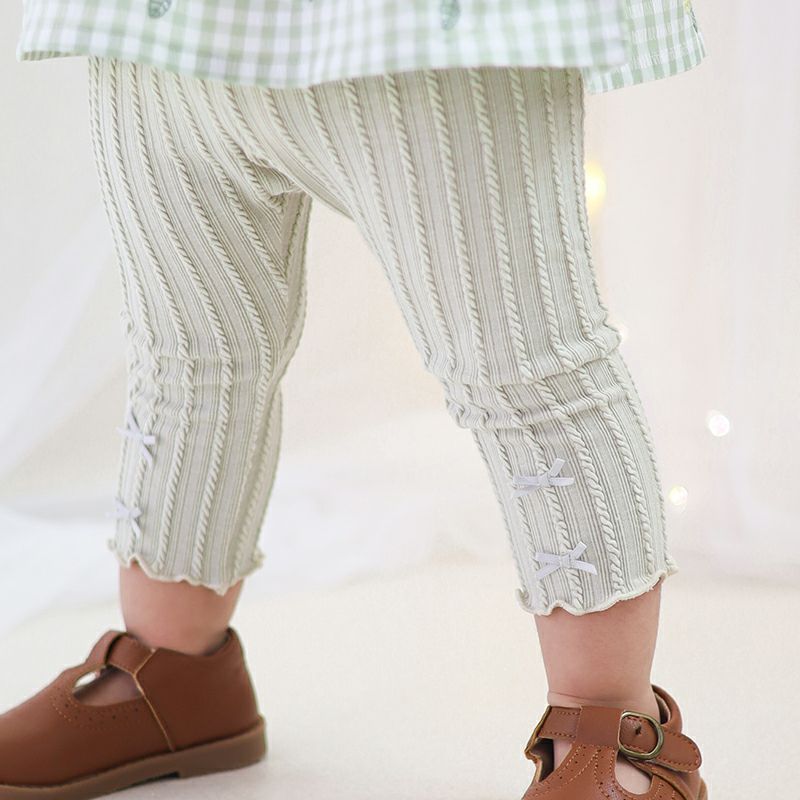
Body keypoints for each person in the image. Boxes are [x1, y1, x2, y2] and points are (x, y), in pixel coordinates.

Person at [3, 2, 708, 799]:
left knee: (527, 365)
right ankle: (169, 670)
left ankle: (615, 738)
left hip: (424, 30)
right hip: (159, 27)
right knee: (189, 357)